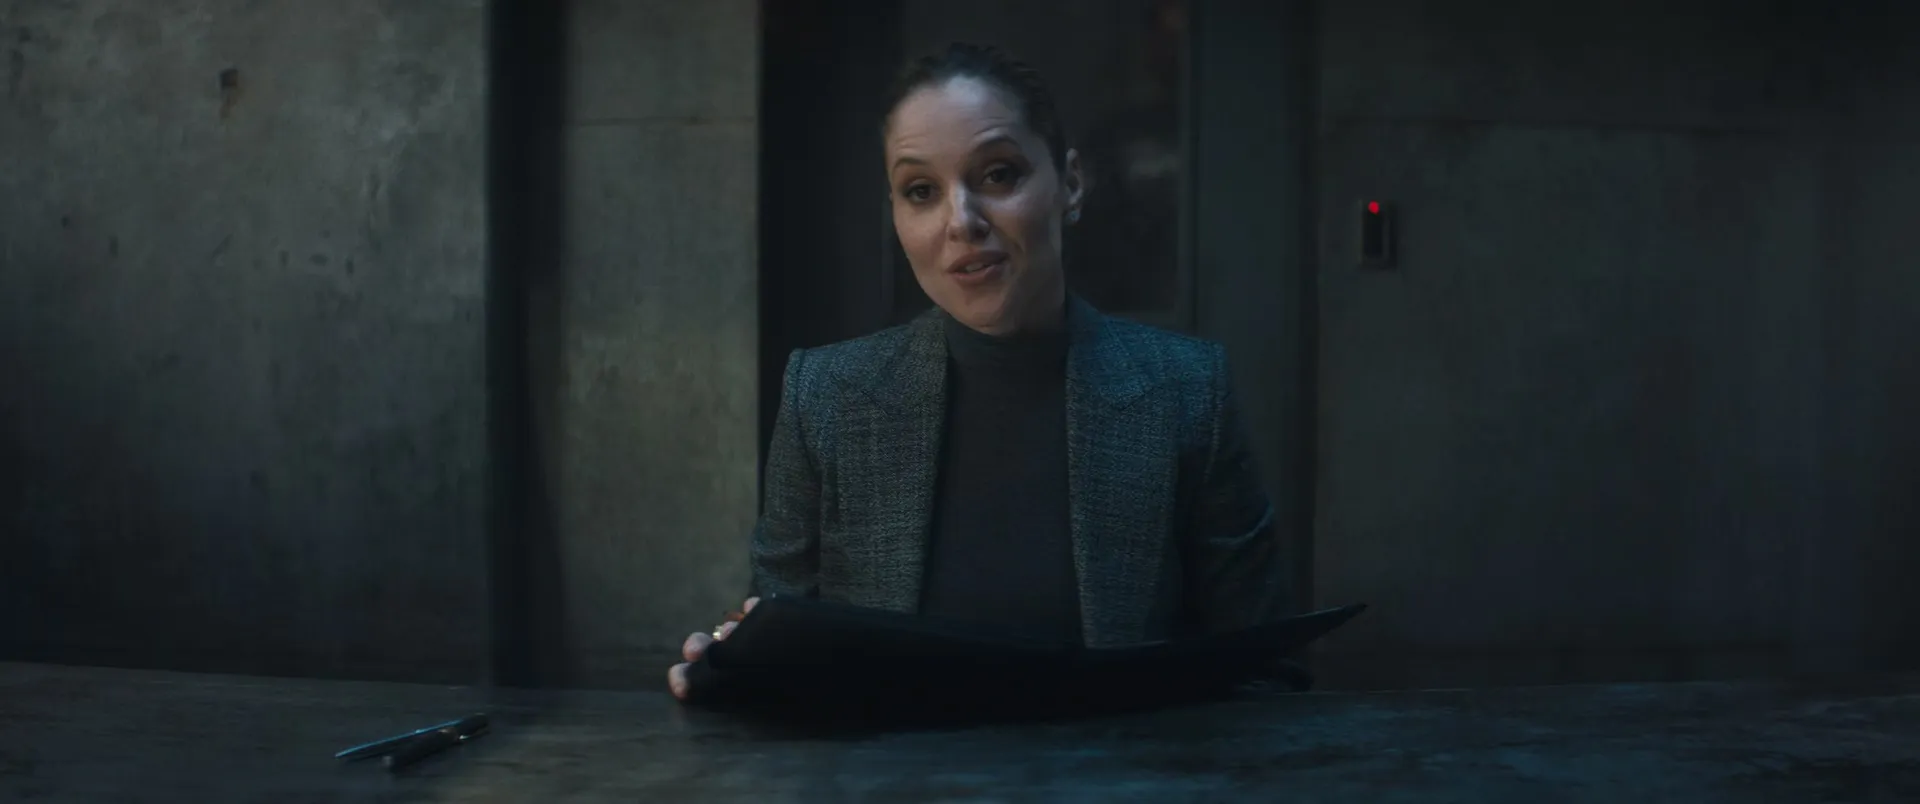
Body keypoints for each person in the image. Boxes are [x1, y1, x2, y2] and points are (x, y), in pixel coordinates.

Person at [668, 42, 1288, 701]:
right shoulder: (825, 396)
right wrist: (734, 671)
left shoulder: (1187, 392)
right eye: (921, 191)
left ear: (1071, 183)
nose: (961, 222)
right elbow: (781, 648)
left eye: (997, 175)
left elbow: (1266, 678)